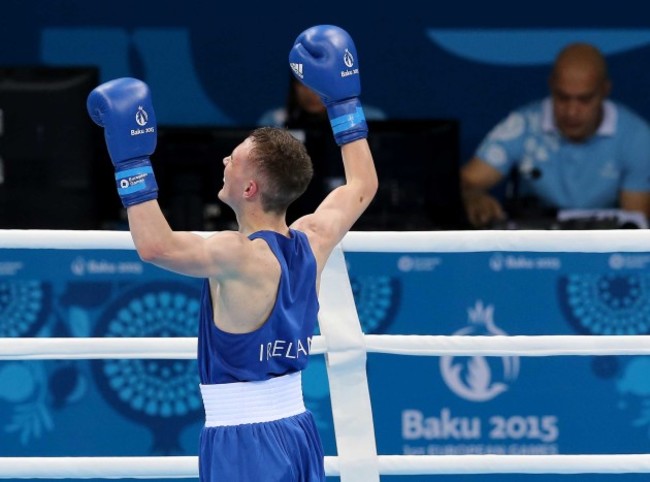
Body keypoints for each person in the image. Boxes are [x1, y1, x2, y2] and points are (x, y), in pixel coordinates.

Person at [86, 24, 377, 482]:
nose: (223, 161)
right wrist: (344, 103)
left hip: (244, 444)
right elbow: (362, 185)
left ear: (249, 187)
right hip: (299, 432)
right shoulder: (314, 239)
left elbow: (154, 246)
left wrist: (131, 163)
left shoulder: (235, 254)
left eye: (235, 158)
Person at [461, 42, 650, 228]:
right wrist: (471, 195)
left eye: (584, 100)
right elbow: (466, 180)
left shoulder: (637, 138)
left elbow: (634, 227)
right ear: (551, 86)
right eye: (562, 97)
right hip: (533, 246)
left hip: (605, 248)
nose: (571, 112)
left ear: (605, 91)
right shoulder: (523, 125)